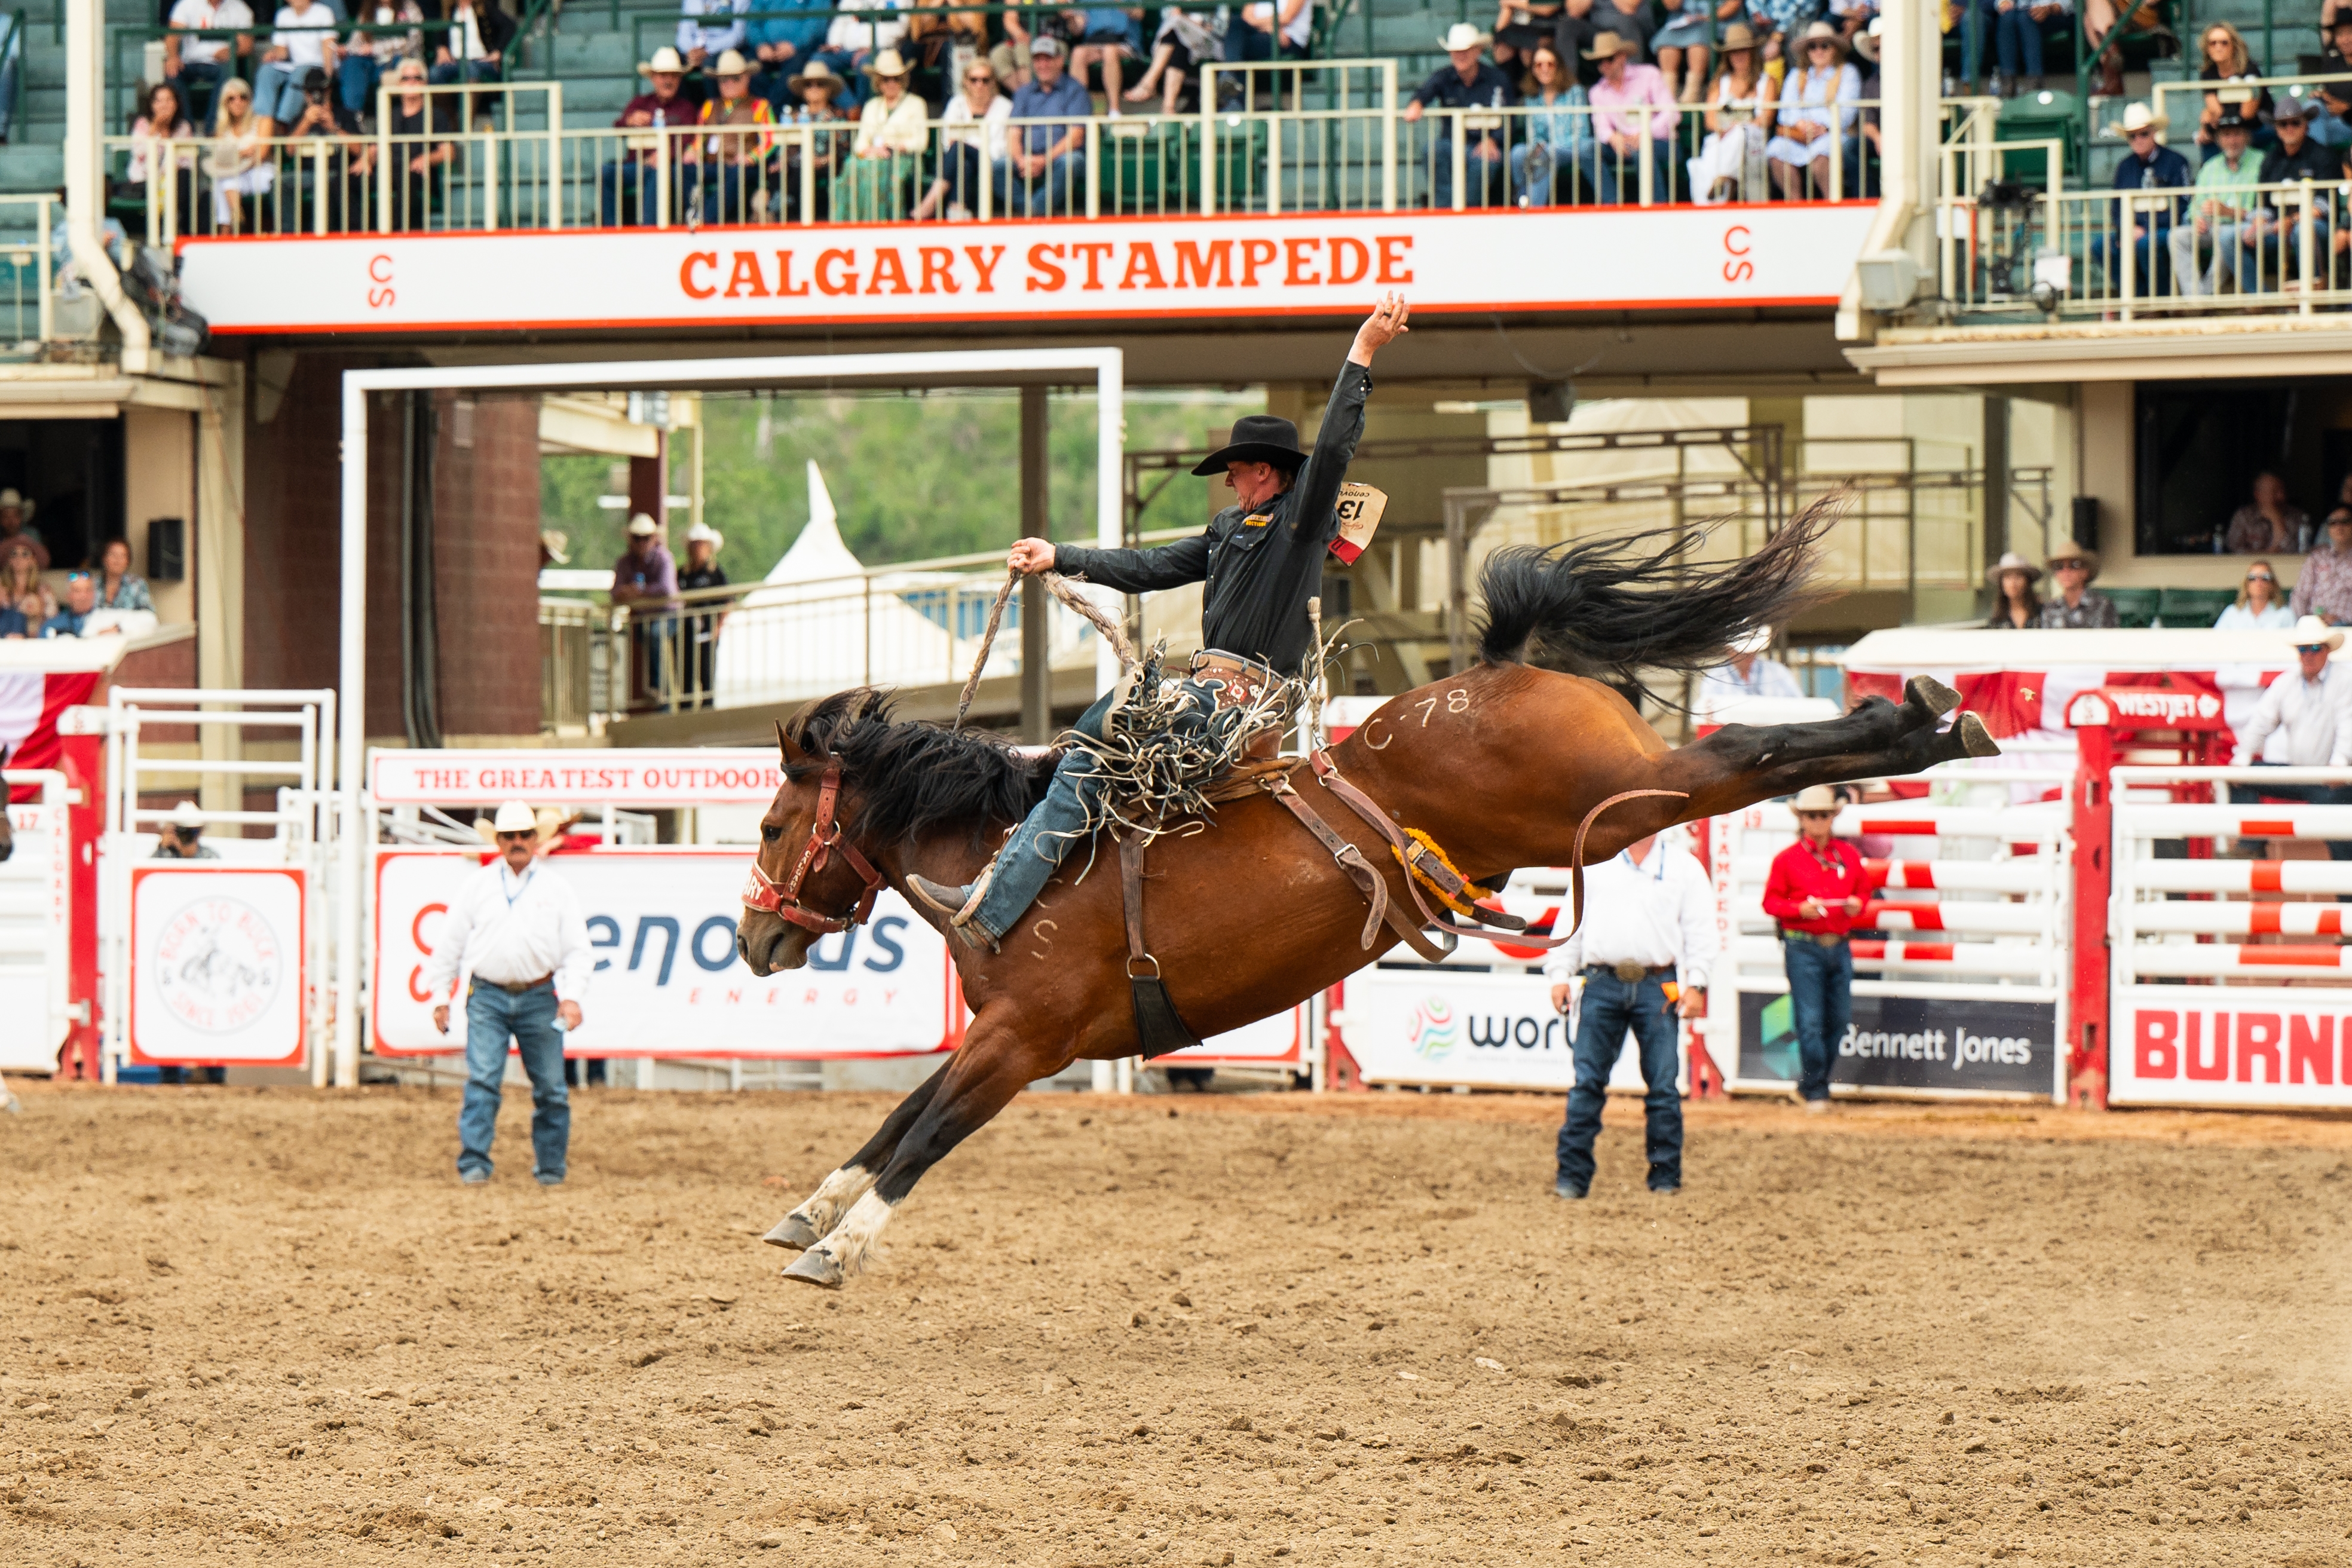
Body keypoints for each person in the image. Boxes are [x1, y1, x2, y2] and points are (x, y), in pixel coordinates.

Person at [908, 295, 1412, 948]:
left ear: (1266, 471)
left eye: (1236, 472)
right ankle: (1021, 891)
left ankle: (992, 903)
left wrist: (1362, 351)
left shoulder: (1300, 519)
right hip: (1210, 695)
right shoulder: (1228, 529)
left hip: (1241, 700)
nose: (1229, 483)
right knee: (1089, 750)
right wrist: (1061, 556)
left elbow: (1336, 448)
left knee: (1095, 739)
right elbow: (1150, 566)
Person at [423, 801, 593, 1187]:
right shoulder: (477, 886)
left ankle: (550, 1168)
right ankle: (475, 1162)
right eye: (510, 836)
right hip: (488, 994)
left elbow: (578, 950)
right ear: (499, 842)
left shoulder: (556, 889)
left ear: (535, 839)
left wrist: (571, 996)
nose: (517, 842)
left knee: (551, 1089)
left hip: (539, 995)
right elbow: (449, 946)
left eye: (524, 835)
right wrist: (440, 996)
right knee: (484, 1080)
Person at [1542, 829, 1714, 1199]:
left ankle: (1663, 1177)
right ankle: (1573, 1176)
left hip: (1656, 984)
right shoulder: (1595, 864)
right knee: (1589, 1082)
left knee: (1662, 1086)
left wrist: (1697, 983)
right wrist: (1559, 974)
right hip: (1607, 980)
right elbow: (1571, 924)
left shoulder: (1684, 868)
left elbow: (1700, 930)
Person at [1760, 784, 1863, 1113]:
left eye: (1823, 815)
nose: (1818, 821)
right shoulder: (1787, 860)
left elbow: (1864, 890)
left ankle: (1811, 1085)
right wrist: (1798, 910)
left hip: (1837, 945)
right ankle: (1817, 1088)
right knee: (1811, 1021)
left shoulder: (1848, 855)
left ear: (1833, 817)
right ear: (1802, 819)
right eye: (1812, 815)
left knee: (1838, 1020)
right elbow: (1771, 902)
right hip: (1804, 946)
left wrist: (1856, 904)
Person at [1403, 25, 1517, 209]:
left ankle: (1467, 212)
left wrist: (1493, 140)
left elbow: (1509, 118)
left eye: (1465, 50)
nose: (1460, 55)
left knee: (1483, 165)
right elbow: (1424, 92)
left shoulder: (1497, 79)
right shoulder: (1443, 77)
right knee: (1433, 150)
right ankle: (1445, 210)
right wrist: (1417, 103)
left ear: (1478, 51)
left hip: (1486, 147)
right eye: (1455, 51)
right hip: (1451, 146)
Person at [2096, 103, 2191, 299]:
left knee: (2146, 244)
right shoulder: (2124, 167)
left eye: (2144, 134)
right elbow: (2117, 208)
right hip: (2134, 230)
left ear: (2154, 133)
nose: (2138, 140)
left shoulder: (2176, 162)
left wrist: (2146, 229)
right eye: (2132, 136)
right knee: (2101, 246)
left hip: (2167, 228)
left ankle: (2160, 300)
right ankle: (2139, 298)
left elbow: (2183, 205)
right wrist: (2126, 230)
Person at [2172, 108, 2267, 298]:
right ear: (2219, 139)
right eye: (2226, 135)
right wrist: (2196, 219)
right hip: (2210, 227)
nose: (2232, 140)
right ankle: (2194, 296)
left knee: (2226, 236)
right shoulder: (2210, 166)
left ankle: (2201, 299)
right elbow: (2194, 207)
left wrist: (2229, 212)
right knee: (2177, 236)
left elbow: (2264, 210)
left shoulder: (2261, 161)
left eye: (2237, 134)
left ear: (2246, 136)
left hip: (2244, 226)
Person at [1577, 31, 1675, 204]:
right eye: (1599, 61)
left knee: (1642, 149)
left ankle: (1658, 207)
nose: (1604, 65)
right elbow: (1601, 126)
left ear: (1622, 57)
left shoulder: (1649, 74)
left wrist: (1645, 134)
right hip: (1623, 144)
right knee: (1586, 149)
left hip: (1660, 142)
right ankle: (1612, 204)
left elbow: (1672, 113)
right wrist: (1614, 138)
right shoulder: (1597, 92)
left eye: (1609, 59)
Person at [1765, 21, 1858, 201]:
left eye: (1825, 45)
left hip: (1833, 133)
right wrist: (1801, 124)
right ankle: (1795, 204)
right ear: (1807, 51)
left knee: (1822, 154)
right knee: (1776, 149)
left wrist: (1823, 127)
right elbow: (1786, 110)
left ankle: (1832, 203)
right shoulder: (1796, 75)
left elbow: (1847, 111)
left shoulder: (1848, 72)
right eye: (1813, 46)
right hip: (1800, 135)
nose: (1818, 51)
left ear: (1835, 48)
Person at [604, 47, 694, 225]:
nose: (668, 81)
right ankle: (610, 229)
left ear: (679, 79)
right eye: (663, 75)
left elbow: (688, 139)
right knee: (605, 173)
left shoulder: (687, 108)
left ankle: (650, 228)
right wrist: (630, 120)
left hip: (668, 168)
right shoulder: (641, 103)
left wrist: (666, 155)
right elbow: (618, 127)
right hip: (636, 166)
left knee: (658, 173)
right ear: (653, 78)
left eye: (673, 76)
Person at [2253, 99, 2337, 288]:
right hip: (2276, 226)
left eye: (2295, 123)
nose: (2289, 128)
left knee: (2303, 230)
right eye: (2283, 124)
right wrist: (2259, 221)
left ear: (2306, 125)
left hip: (2315, 224)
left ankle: (2312, 292)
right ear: (2276, 129)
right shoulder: (2270, 159)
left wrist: (2291, 221)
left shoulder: (2323, 156)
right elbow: (2263, 204)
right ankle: (2261, 297)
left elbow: (2324, 205)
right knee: (2232, 237)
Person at [1686, 22, 1773, 204]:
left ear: (1752, 52)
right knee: (1708, 160)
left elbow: (1766, 118)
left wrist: (1739, 126)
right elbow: (1710, 120)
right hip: (1722, 138)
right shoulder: (1720, 83)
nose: (1738, 56)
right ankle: (1720, 190)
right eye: (1734, 52)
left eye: (1743, 50)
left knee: (1741, 134)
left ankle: (1725, 177)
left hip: (1753, 141)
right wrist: (1726, 128)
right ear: (1728, 56)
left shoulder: (1767, 82)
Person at [914, 58, 1010, 218]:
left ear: (993, 82)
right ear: (966, 82)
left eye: (985, 80)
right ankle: (957, 213)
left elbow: (1001, 147)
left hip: (991, 161)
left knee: (960, 148)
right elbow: (948, 139)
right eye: (974, 80)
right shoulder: (957, 103)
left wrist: (968, 144)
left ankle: (928, 205)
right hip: (960, 159)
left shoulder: (1005, 107)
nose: (979, 85)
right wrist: (971, 145)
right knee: (964, 163)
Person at [688, 49, 776, 223]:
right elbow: (699, 139)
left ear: (746, 78)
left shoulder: (760, 105)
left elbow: (771, 141)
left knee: (738, 173)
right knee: (681, 171)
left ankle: (707, 221)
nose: (729, 83)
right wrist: (692, 151)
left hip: (742, 166)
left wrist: (751, 157)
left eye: (735, 78)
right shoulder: (709, 106)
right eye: (723, 79)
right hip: (713, 163)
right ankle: (700, 213)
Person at [1006, 38, 1090, 217]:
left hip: (1061, 156)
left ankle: (1035, 211)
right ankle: (1031, 210)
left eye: (1048, 59)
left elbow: (1076, 136)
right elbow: (1013, 133)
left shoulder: (1075, 91)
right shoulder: (1023, 93)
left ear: (1060, 61)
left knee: (1071, 161)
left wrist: (1044, 160)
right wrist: (1021, 160)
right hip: (1028, 157)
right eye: (1038, 60)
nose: (1042, 65)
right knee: (999, 166)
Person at [843, 47, 926, 219]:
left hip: (904, 159)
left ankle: (886, 221)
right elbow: (860, 143)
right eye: (886, 80)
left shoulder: (916, 103)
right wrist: (872, 150)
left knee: (880, 171)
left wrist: (895, 147)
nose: (891, 84)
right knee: (851, 165)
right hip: (873, 157)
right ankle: (856, 222)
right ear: (878, 82)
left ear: (903, 80)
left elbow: (921, 142)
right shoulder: (871, 105)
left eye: (896, 79)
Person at [612, 512, 682, 707]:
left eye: (646, 538)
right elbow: (615, 591)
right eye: (637, 538)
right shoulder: (625, 562)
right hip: (645, 619)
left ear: (654, 538)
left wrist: (639, 592)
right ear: (631, 540)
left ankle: (658, 690)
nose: (642, 542)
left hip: (669, 615)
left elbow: (667, 589)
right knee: (647, 637)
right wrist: (628, 592)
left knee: (655, 634)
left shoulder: (664, 559)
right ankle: (656, 694)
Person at [1514, 41, 1590, 206]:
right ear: (1533, 70)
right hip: (1545, 149)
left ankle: (1534, 209)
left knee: (1546, 154)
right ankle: (1522, 199)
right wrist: (1538, 146)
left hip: (1571, 147)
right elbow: (1533, 134)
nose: (1545, 69)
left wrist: (1549, 146)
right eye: (1539, 65)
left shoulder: (1574, 92)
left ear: (1558, 67)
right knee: (1518, 153)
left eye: (1550, 64)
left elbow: (1582, 132)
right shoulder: (1532, 98)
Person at [163, 0, 255, 125]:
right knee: (172, 73)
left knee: (228, 72)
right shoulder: (187, 4)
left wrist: (232, 52)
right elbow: (172, 35)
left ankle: (213, 128)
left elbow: (247, 45)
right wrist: (173, 57)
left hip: (220, 64)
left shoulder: (239, 8)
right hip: (190, 62)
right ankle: (185, 128)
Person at [253, 0, 338, 131]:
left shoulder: (323, 12)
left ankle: (283, 123)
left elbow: (329, 47)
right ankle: (264, 119)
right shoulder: (283, 15)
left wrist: (329, 79)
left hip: (318, 67)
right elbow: (282, 52)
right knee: (266, 71)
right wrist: (273, 55)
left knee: (300, 73)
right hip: (294, 66)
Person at [204, 77, 274, 232]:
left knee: (225, 178)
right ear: (225, 103)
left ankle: (227, 230)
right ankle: (236, 217)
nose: (238, 102)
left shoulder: (262, 120)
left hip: (261, 171)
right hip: (236, 174)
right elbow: (220, 159)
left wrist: (234, 156)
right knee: (222, 179)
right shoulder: (222, 128)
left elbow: (262, 154)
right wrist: (244, 153)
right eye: (232, 99)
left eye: (243, 97)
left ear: (249, 100)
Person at [1124, 5, 1222, 114]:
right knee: (1179, 39)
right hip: (1182, 40)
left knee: (1177, 27)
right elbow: (1168, 16)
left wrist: (1196, 22)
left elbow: (1220, 27)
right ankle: (1168, 107)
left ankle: (1149, 84)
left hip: (1210, 43)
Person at [336, 0, 424, 117]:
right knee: (352, 63)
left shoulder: (409, 7)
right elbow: (356, 40)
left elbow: (414, 41)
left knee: (400, 63)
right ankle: (354, 116)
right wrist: (347, 49)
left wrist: (376, 48)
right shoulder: (368, 9)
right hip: (371, 61)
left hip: (398, 58)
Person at [679, 520, 728, 708]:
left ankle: (708, 709)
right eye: (695, 545)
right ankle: (686, 712)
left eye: (701, 545)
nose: (698, 549)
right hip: (686, 633)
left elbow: (727, 601)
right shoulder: (682, 574)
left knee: (707, 674)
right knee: (686, 676)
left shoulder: (715, 574)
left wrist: (718, 627)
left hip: (708, 632)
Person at [1978, 0, 2066, 99]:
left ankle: (2035, 82)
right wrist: (2003, 3)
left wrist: (2049, 9)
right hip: (2023, 15)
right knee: (2007, 17)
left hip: (2055, 13)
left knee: (2026, 18)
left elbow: (2067, 4)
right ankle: (2008, 82)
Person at [1698, 624, 1803, 706]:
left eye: (1752, 651)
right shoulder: (1715, 679)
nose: (1748, 655)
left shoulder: (1779, 673)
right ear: (1729, 650)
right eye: (1743, 652)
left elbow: (1799, 707)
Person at [429, 0, 513, 93]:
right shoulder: (448, 12)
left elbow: (509, 26)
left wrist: (498, 51)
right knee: (434, 73)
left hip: (481, 61)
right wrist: (441, 47)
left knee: (471, 69)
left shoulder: (484, 9)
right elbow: (439, 33)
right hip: (455, 62)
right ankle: (447, 104)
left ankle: (469, 103)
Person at [1070, 4, 1144, 107]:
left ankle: (1114, 109)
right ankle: (1078, 109)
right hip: (1095, 41)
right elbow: (1077, 30)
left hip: (1124, 42)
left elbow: (1139, 14)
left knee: (1109, 50)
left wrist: (1123, 5)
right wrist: (1071, 17)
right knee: (1078, 53)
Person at [2225, 471, 2308, 555]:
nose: (2281, 496)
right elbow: (2234, 551)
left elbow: (2297, 551)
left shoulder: (2297, 516)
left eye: (2282, 491)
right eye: (2275, 492)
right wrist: (2268, 553)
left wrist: (2277, 522)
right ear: (2258, 495)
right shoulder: (2244, 516)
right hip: (2251, 563)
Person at [2292, 509, 2352, 624]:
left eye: (2345, 521)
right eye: (2333, 523)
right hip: (2314, 624)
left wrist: (2342, 619)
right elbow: (2300, 595)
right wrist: (2305, 621)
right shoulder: (2316, 559)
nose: (2339, 527)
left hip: (2347, 625)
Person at [2037, 543, 2119, 627]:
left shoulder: (2102, 606)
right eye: (2059, 566)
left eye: (2074, 565)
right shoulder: (2050, 608)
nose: (2066, 571)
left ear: (2085, 572)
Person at [2218, 559, 2294, 630]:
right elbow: (2217, 638)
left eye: (2265, 577)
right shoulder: (2232, 613)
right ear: (2246, 584)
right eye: (2252, 578)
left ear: (2272, 584)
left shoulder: (2285, 615)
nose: (2259, 583)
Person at [1984, 549, 2041, 627]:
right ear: (2002, 583)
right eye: (2008, 577)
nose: (2013, 583)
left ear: (2027, 581)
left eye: (2018, 576)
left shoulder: (2042, 614)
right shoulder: (1997, 621)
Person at [96, 538, 155, 612]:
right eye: (113, 555)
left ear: (128, 561)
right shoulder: (93, 585)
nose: (117, 560)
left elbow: (148, 613)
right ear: (104, 558)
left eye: (122, 556)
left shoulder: (137, 584)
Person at [0, 539, 50, 625]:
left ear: (33, 560)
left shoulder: (43, 590)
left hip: (35, 632)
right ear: (9, 560)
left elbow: (53, 621)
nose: (18, 558)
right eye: (14, 554)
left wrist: (40, 610)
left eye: (25, 554)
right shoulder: (2, 588)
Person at [42, 572, 107, 638]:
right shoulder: (52, 625)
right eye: (77, 591)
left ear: (94, 594)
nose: (83, 596)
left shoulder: (108, 620)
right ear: (68, 596)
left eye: (88, 590)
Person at [152, 799, 220, 858]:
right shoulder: (167, 855)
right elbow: (150, 866)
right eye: (182, 831)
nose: (187, 836)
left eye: (194, 831)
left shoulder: (209, 856)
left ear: (200, 833)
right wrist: (162, 848)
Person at [0, 489, 44, 570]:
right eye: (6, 517)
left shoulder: (32, 534)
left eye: (15, 516)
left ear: (21, 517)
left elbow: (42, 561)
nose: (11, 521)